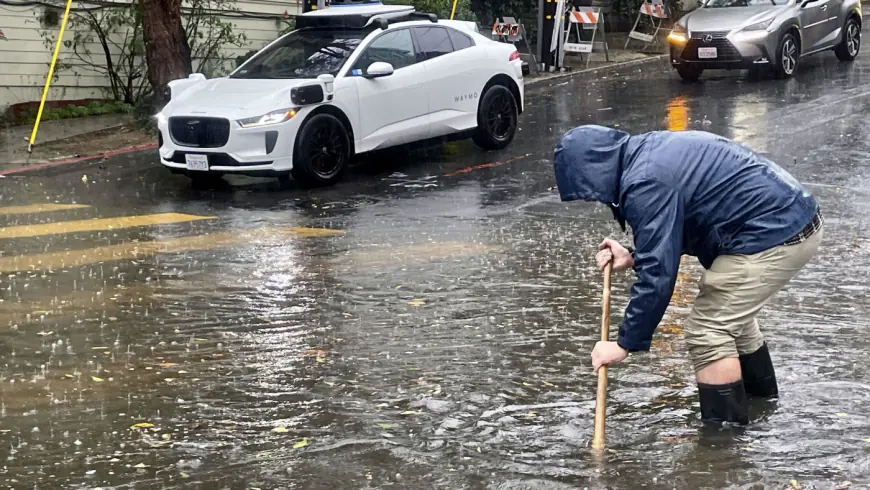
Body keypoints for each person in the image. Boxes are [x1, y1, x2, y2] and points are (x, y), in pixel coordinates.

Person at [552, 125, 823, 426]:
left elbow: (658, 274)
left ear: (594, 172)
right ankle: (763, 407)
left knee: (708, 330)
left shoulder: (645, 182)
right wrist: (633, 254)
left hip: (774, 233)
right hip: (792, 219)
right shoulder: (646, 154)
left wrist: (623, 344)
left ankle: (723, 445)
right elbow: (671, 230)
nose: (595, 200)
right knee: (732, 318)